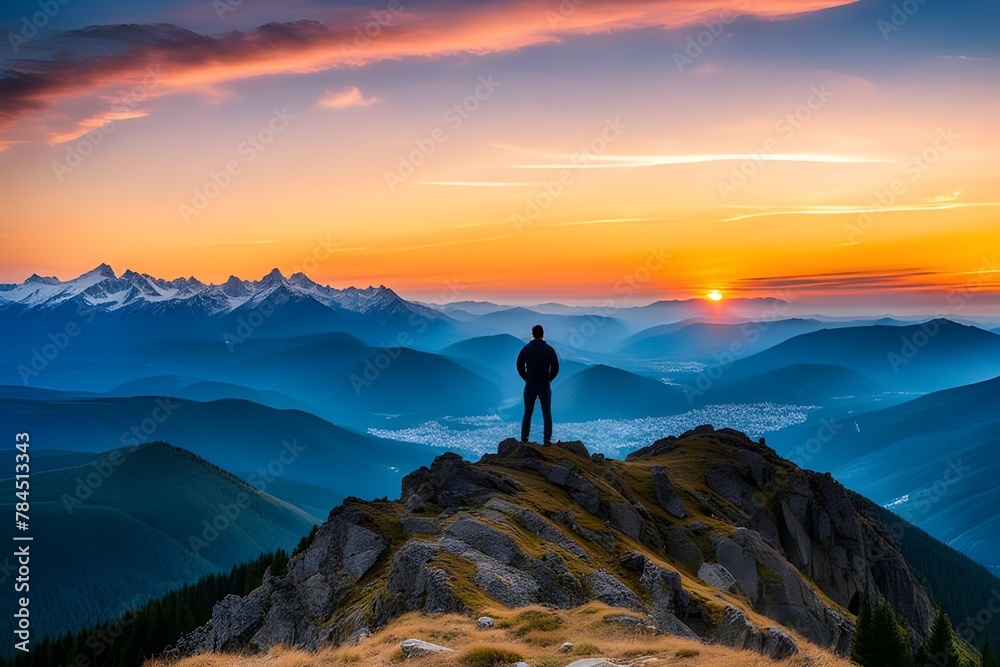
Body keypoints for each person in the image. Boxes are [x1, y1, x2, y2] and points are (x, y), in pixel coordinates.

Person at [515, 324, 559, 444]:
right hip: (544, 384)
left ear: (532, 334)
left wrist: (526, 377)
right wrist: (549, 379)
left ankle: (524, 438)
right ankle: (547, 439)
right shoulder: (549, 349)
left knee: (528, 412)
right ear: (543, 334)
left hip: (530, 384)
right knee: (546, 412)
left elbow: (519, 364)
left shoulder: (526, 349)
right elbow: (556, 368)